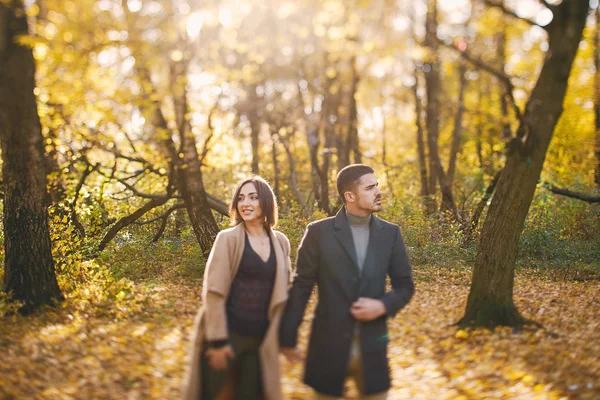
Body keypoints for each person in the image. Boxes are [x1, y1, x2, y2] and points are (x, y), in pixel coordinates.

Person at [280, 164, 415, 399]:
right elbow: (301, 286)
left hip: (372, 347)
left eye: (377, 186)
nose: (378, 192)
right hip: (327, 347)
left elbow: (405, 286)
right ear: (350, 196)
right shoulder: (318, 233)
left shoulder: (390, 234)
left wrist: (382, 305)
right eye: (370, 187)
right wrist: (287, 337)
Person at [183, 176, 292, 400]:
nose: (246, 204)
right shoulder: (227, 239)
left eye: (253, 197)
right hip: (227, 336)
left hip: (261, 340)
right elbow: (214, 291)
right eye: (241, 198)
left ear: (266, 202)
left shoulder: (281, 242)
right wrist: (218, 341)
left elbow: (284, 290)